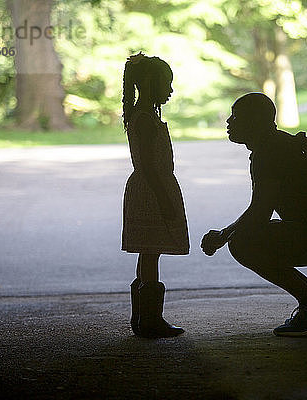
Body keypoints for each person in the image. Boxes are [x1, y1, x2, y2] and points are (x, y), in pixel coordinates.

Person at [201, 92, 307, 337]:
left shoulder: (269, 155)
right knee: (244, 236)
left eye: (237, 116)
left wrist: (222, 236)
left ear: (255, 121)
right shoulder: (279, 144)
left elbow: (258, 214)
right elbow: (260, 211)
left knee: (242, 243)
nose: (229, 122)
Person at [121, 52, 189, 338]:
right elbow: (147, 165)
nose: (170, 90)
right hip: (152, 191)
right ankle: (150, 320)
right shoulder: (146, 118)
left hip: (148, 188)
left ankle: (143, 318)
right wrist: (164, 199)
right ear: (150, 83)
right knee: (150, 253)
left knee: (148, 252)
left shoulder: (141, 115)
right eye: (166, 84)